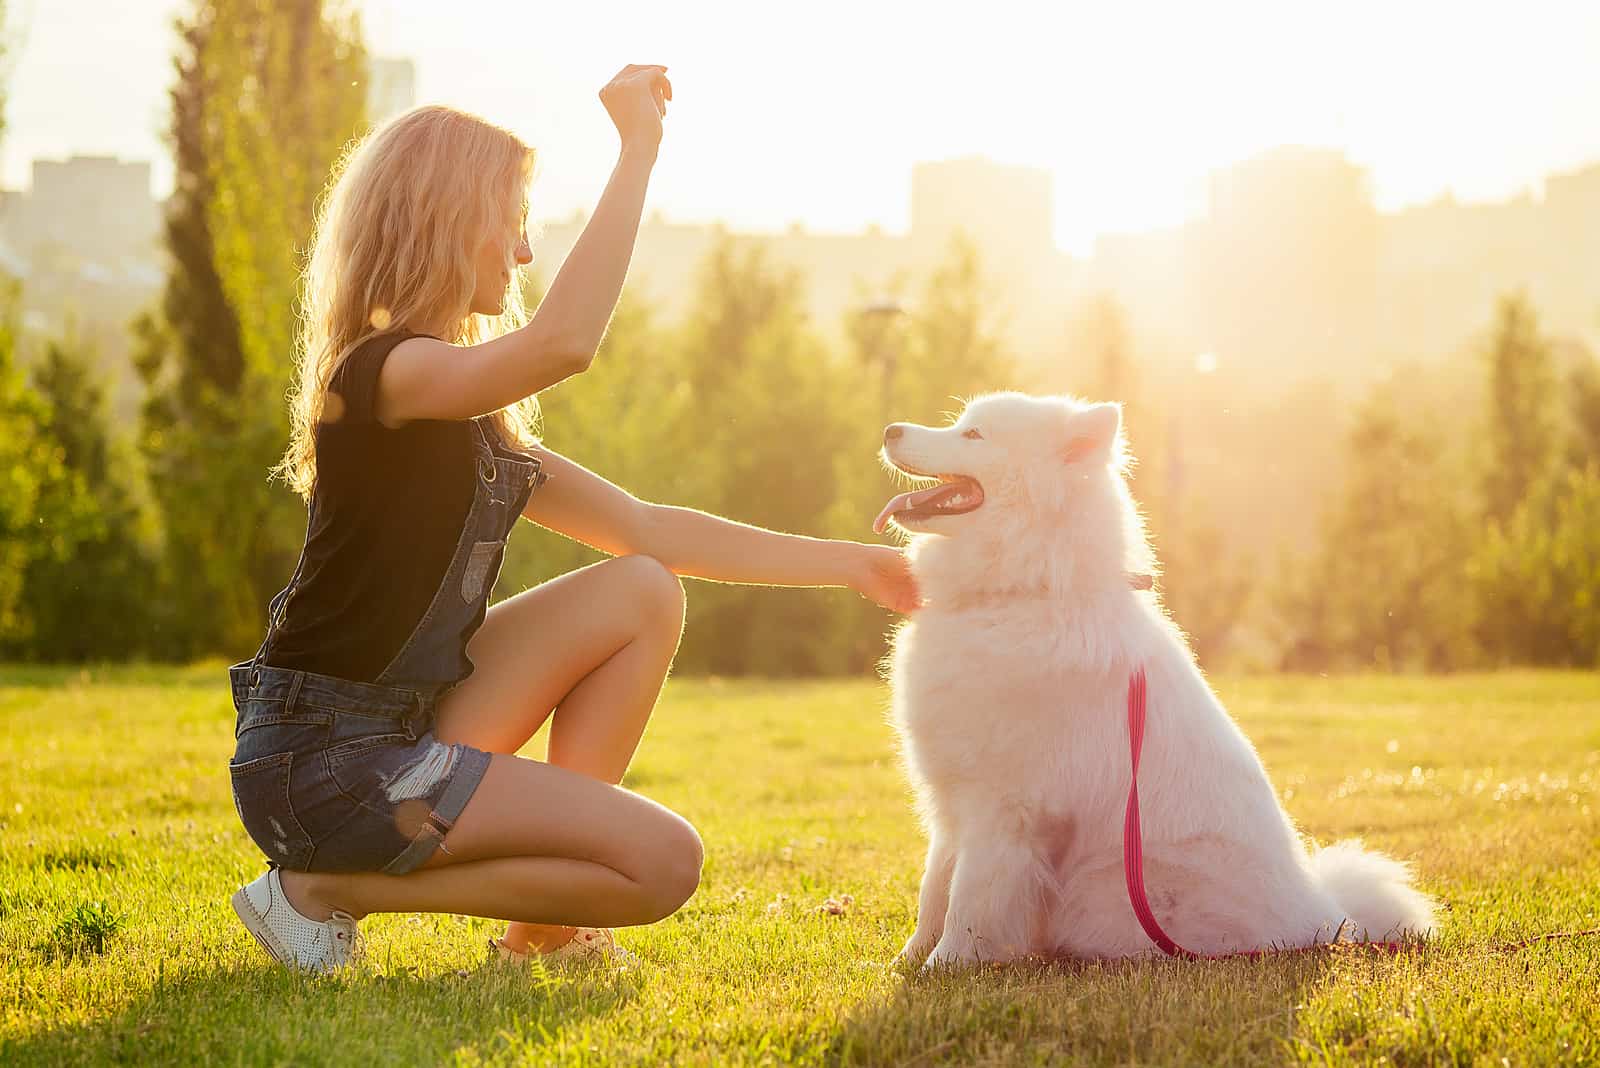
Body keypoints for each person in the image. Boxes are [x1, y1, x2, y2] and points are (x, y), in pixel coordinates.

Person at [227, 64, 919, 972]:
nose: (521, 256)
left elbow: (652, 530)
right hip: (321, 763)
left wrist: (859, 567)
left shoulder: (465, 417)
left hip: (396, 729)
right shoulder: (385, 375)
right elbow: (565, 342)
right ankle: (325, 890)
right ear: (447, 220)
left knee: (641, 589)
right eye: (511, 221)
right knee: (664, 866)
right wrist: (638, 150)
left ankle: (534, 943)